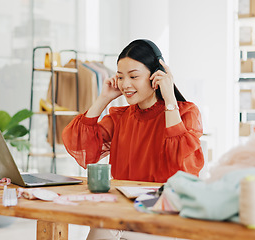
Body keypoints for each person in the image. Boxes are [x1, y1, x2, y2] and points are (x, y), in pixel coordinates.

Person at [62, 39, 204, 239]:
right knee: (98, 229)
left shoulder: (186, 113)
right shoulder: (120, 117)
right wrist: (103, 99)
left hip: (165, 214)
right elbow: (79, 144)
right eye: (120, 77)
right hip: (123, 210)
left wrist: (169, 98)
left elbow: (182, 163)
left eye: (134, 76)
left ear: (156, 76)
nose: (125, 84)